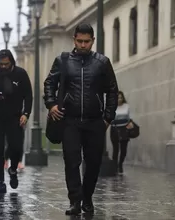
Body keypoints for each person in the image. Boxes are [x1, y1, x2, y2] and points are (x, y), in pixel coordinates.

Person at [43, 23, 118, 215]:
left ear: (92, 41)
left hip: (95, 121)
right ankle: (75, 201)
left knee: (93, 163)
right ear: (74, 40)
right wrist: (51, 105)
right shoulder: (63, 60)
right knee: (72, 161)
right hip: (70, 121)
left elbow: (112, 90)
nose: (83, 45)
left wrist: (108, 118)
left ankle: (88, 197)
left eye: (87, 41)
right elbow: (50, 83)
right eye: (79, 41)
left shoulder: (102, 62)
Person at [0, 49, 33, 193]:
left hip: (15, 116)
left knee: (16, 146)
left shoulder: (20, 74)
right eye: (1, 64)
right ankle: (0, 181)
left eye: (6, 64)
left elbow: (28, 95)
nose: (4, 67)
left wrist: (26, 113)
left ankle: (13, 169)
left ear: (11, 62)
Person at [110, 91, 133, 174]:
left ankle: (120, 164)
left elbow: (130, 117)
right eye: (118, 97)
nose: (119, 99)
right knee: (115, 149)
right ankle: (114, 166)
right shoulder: (112, 106)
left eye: (121, 97)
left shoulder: (126, 106)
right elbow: (110, 118)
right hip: (114, 129)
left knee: (123, 150)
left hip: (124, 129)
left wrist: (130, 123)